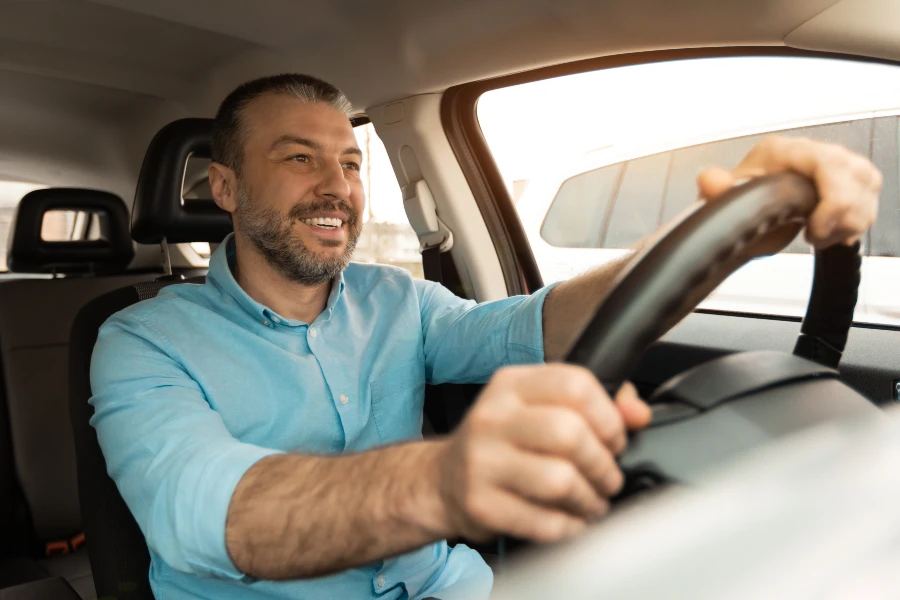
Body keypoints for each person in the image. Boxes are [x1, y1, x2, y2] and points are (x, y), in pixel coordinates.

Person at [90, 73, 881, 600]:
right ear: (224, 187)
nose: (336, 187)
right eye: (299, 159)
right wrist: (440, 481)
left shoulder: (395, 299)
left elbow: (537, 329)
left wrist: (725, 231)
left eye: (350, 163)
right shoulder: (139, 339)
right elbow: (204, 513)